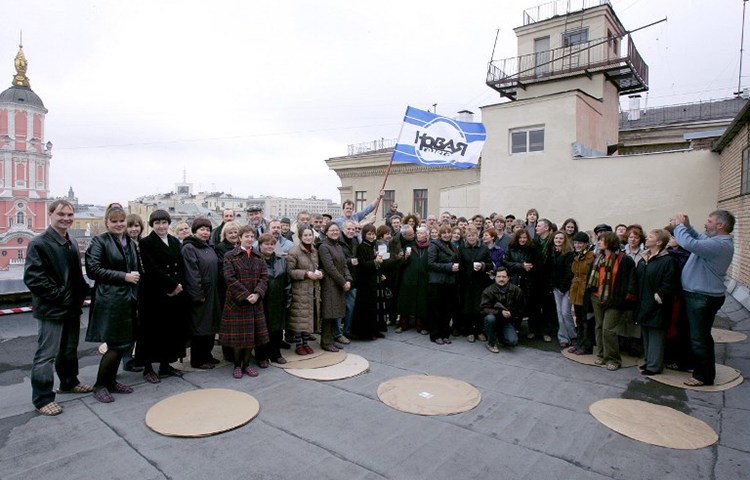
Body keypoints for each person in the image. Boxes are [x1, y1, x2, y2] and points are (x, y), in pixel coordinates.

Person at [25, 200, 92, 416]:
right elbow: (34, 279)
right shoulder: (39, 243)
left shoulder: (70, 240)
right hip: (52, 309)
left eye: (70, 214)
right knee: (46, 355)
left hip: (71, 307)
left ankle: (69, 383)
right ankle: (43, 399)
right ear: (51, 214)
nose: (66, 218)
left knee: (69, 350)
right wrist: (60, 296)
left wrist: (83, 294)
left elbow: (75, 275)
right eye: (61, 214)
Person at [674, 210, 735, 386]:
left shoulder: (720, 245)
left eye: (709, 221)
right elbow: (698, 237)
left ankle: (704, 376)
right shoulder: (715, 241)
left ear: (720, 225)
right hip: (696, 295)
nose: (706, 224)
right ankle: (690, 364)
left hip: (702, 297)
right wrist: (687, 227)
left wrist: (679, 226)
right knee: (691, 332)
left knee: (699, 337)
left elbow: (688, 243)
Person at [85, 206, 140, 403]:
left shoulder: (129, 243)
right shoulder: (100, 241)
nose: (119, 224)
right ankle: (100, 385)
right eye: (114, 221)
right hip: (111, 301)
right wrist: (124, 276)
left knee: (124, 343)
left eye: (121, 220)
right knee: (116, 345)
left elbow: (137, 269)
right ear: (107, 223)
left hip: (127, 300)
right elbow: (93, 270)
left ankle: (111, 382)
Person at [136, 210, 188, 384]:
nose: (161, 226)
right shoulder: (146, 242)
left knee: (170, 330)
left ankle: (165, 365)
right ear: (152, 225)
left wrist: (179, 285)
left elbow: (180, 266)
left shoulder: (174, 241)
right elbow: (151, 269)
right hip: (154, 293)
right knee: (151, 331)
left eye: (164, 222)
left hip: (174, 292)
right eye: (157, 223)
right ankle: (148, 368)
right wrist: (171, 285)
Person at [220, 225, 269, 378]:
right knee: (238, 338)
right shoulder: (230, 255)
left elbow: (264, 277)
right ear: (240, 238)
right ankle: (237, 365)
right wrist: (246, 295)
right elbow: (229, 277)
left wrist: (257, 294)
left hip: (255, 302)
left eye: (251, 236)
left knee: (251, 338)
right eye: (246, 236)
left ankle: (247, 364)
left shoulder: (259, 256)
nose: (249, 239)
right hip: (237, 303)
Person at [587, 231, 637, 371]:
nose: (599, 242)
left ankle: (613, 359)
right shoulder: (598, 257)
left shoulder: (624, 259)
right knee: (598, 326)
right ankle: (601, 354)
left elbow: (630, 281)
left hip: (615, 299)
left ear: (610, 242)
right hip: (596, 296)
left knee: (608, 329)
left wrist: (626, 298)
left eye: (602, 240)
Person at [634, 229, 677, 376]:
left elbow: (669, 282)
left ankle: (654, 366)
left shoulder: (667, 260)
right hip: (643, 301)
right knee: (646, 333)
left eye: (651, 237)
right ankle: (649, 360)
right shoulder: (644, 259)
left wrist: (659, 296)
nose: (647, 238)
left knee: (656, 335)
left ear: (659, 242)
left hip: (657, 304)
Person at [182, 218, 222, 369]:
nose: (205, 232)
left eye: (208, 230)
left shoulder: (208, 247)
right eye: (202, 229)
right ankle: (198, 359)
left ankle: (208, 355)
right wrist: (198, 294)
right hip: (201, 294)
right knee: (200, 327)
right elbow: (192, 274)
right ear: (194, 231)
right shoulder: (189, 248)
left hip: (213, 292)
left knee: (211, 325)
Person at [255, 233, 290, 367]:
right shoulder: (256, 260)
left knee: (277, 330)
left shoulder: (281, 260)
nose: (269, 247)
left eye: (272, 244)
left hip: (278, 299)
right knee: (262, 330)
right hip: (263, 300)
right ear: (260, 245)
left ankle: (276, 354)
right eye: (266, 244)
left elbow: (287, 281)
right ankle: (261, 356)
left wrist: (288, 298)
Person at [287, 226, 323, 355]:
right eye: (305, 235)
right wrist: (306, 274)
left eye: (310, 235)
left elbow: (318, 267)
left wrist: (320, 274)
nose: (308, 237)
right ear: (300, 237)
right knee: (299, 318)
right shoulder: (294, 251)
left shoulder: (314, 251)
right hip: (300, 290)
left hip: (313, 289)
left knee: (309, 316)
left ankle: (305, 343)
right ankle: (298, 345)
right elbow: (290, 272)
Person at [318, 222, 352, 352]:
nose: (334, 232)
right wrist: (343, 282)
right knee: (329, 314)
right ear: (326, 232)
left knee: (335, 313)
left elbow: (344, 265)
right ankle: (326, 342)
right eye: (331, 230)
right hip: (330, 285)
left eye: (336, 230)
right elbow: (330, 268)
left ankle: (331, 339)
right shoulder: (324, 247)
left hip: (338, 284)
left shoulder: (338, 246)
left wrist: (348, 279)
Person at [457, 226, 493, 341]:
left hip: (480, 283)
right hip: (466, 283)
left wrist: (482, 266)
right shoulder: (462, 248)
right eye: (469, 236)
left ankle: (479, 330)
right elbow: (460, 265)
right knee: (467, 307)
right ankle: (469, 331)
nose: (471, 238)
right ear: (466, 237)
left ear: (477, 236)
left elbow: (490, 264)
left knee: (479, 308)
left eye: (473, 235)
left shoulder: (484, 248)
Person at [351, 224, 385, 340]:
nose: (371, 236)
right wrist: (375, 261)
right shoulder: (362, 247)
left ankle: (374, 329)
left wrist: (380, 273)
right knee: (366, 308)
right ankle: (366, 333)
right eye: (369, 234)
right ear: (364, 235)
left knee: (374, 307)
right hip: (365, 283)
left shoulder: (373, 246)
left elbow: (376, 264)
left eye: (373, 234)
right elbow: (363, 265)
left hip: (374, 281)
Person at [394, 225, 430, 334]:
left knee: (421, 302)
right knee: (405, 300)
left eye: (422, 233)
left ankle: (421, 325)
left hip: (423, 278)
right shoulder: (409, 245)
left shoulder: (431, 247)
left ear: (427, 236)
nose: (419, 235)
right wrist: (405, 258)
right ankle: (402, 324)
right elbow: (400, 263)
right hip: (408, 278)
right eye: (418, 233)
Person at [427, 224, 459, 345]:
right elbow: (430, 264)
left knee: (447, 310)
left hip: (450, 283)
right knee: (436, 310)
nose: (447, 235)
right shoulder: (434, 245)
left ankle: (445, 334)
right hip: (437, 282)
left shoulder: (452, 246)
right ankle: (435, 335)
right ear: (440, 234)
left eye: (449, 232)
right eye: (444, 233)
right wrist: (449, 267)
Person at [481, 267, 525, 353]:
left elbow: (522, 309)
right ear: (495, 277)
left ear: (508, 278)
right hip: (493, 319)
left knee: (513, 341)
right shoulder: (488, 291)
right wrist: (500, 312)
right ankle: (491, 343)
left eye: (504, 277)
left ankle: (500, 336)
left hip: (508, 321)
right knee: (490, 318)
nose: (501, 279)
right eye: (499, 276)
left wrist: (511, 314)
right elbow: (483, 309)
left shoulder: (517, 290)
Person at [121, 213, 145, 372]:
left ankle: (137, 357)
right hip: (128, 288)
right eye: (130, 226)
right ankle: (127, 360)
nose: (134, 229)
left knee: (139, 326)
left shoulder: (142, 243)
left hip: (142, 287)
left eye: (137, 226)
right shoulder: (122, 244)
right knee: (127, 327)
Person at [503, 229, 536, 332]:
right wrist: (521, 266)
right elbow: (505, 262)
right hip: (513, 280)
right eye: (520, 238)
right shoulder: (511, 248)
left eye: (525, 238)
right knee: (511, 304)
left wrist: (530, 266)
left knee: (522, 305)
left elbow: (535, 262)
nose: (522, 240)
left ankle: (517, 327)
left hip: (526, 281)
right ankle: (510, 327)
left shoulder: (531, 249)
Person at [569, 231, 595, 355]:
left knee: (586, 320)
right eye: (575, 243)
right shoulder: (577, 256)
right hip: (576, 290)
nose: (577, 245)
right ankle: (579, 343)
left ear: (586, 244)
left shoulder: (591, 257)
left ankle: (587, 346)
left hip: (586, 291)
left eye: (580, 243)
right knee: (578, 320)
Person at [550, 231, 575, 348]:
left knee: (566, 312)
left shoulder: (569, 254)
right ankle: (563, 337)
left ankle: (573, 335)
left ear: (565, 240)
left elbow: (569, 272)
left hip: (566, 288)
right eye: (556, 238)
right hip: (555, 287)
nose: (558, 240)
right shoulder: (553, 253)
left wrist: (563, 287)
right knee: (559, 313)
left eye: (561, 238)